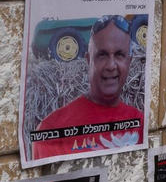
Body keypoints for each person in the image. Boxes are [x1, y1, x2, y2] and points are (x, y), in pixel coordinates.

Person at [32, 16, 144, 160]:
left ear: (129, 62)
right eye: (102, 55)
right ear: (88, 60)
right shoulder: (51, 129)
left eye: (119, 55)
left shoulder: (140, 122)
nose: (111, 65)